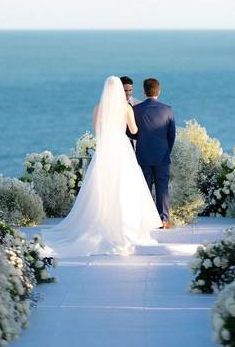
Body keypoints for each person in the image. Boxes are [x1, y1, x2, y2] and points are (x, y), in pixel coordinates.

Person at [46, 76, 162, 256]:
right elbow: (134, 131)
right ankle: (125, 226)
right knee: (124, 186)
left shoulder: (98, 108)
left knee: (102, 185)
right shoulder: (126, 108)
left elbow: (97, 130)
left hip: (105, 148)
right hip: (122, 148)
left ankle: (101, 221)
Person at [134, 78, 176, 228]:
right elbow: (171, 136)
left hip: (142, 156)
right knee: (162, 189)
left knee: (144, 189)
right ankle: (163, 220)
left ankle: (144, 220)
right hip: (162, 155)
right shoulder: (168, 110)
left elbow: (131, 133)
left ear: (144, 92)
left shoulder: (136, 109)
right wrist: (166, 150)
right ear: (159, 91)